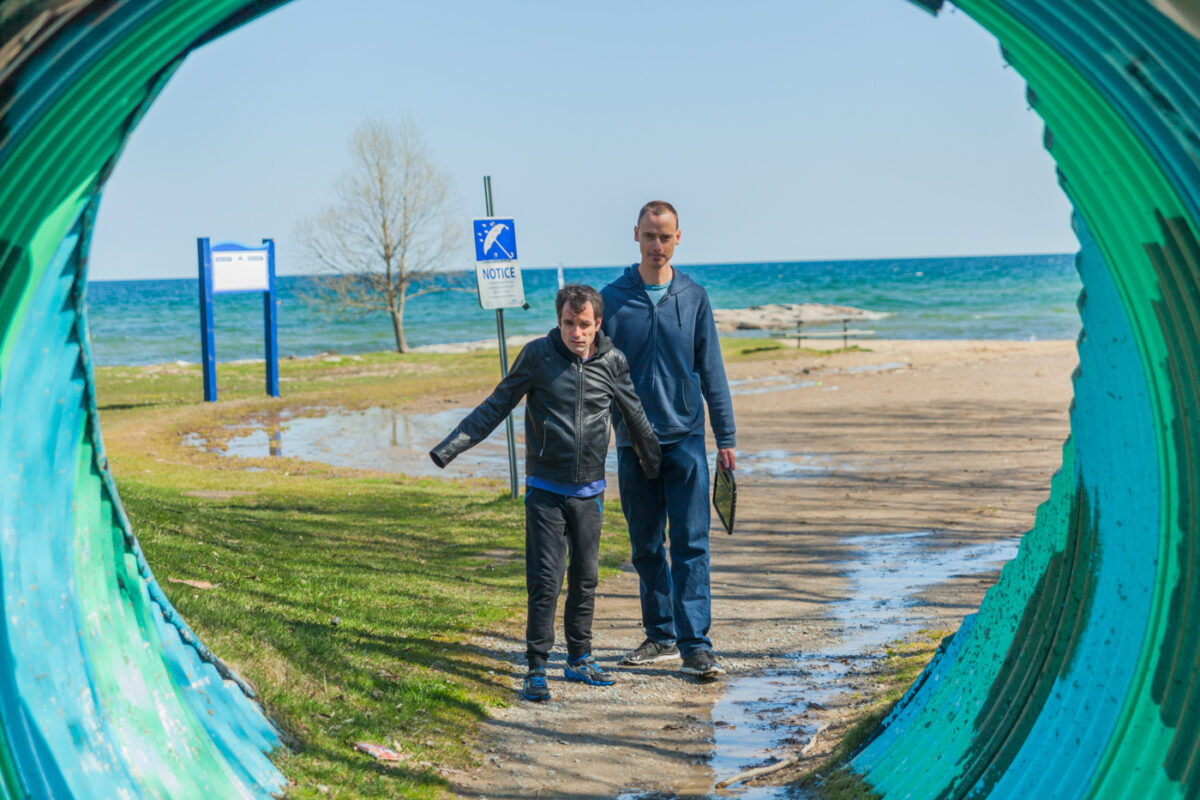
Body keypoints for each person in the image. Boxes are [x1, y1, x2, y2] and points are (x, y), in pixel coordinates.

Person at [430, 284, 661, 701]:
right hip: (545, 489)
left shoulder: (613, 361)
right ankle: (536, 667)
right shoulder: (538, 356)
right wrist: (450, 447)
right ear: (559, 321)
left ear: (598, 324)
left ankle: (579, 659)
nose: (576, 332)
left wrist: (656, 468)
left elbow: (636, 417)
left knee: (585, 579)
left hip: (589, 491)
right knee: (545, 580)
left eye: (584, 325)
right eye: (569, 323)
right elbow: (496, 404)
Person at [600, 200, 736, 679]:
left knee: (691, 544)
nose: (656, 245)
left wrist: (726, 436)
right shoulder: (611, 299)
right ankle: (659, 635)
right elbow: (596, 374)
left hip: (684, 440)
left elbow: (712, 371)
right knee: (644, 545)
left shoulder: (694, 297)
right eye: (649, 236)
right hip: (631, 442)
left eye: (665, 236)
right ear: (635, 235)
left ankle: (695, 644)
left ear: (679, 238)